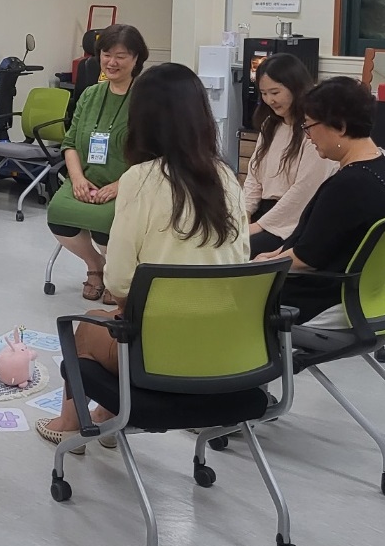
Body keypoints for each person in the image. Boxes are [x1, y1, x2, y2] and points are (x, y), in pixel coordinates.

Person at [35, 63, 250, 450]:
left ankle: (70, 425)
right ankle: (105, 417)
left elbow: (118, 280)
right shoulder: (227, 177)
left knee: (88, 327)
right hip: (225, 351)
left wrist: (124, 305)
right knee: (117, 321)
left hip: (159, 354)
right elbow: (241, 261)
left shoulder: (141, 178)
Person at [254, 77, 385, 325]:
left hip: (324, 297)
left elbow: (307, 259)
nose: (307, 136)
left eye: (309, 126)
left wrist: (259, 266)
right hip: (362, 294)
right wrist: (276, 255)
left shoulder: (349, 185)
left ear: (340, 126)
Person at [45, 24, 149, 305]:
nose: (112, 62)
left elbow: (151, 157)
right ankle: (96, 265)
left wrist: (119, 186)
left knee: (105, 221)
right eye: (106, 54)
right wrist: (77, 178)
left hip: (127, 184)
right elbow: (69, 143)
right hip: (86, 179)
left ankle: (118, 275)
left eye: (121, 56)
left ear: (136, 59)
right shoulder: (90, 94)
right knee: (58, 213)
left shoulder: (145, 100)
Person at [244, 53, 337, 258]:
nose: (269, 100)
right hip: (265, 214)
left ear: (295, 87)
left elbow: (304, 190)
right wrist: (245, 213)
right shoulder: (270, 125)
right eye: (264, 93)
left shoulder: (313, 130)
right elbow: (254, 175)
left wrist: (259, 226)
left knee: (239, 250)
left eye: (275, 92)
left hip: (292, 222)